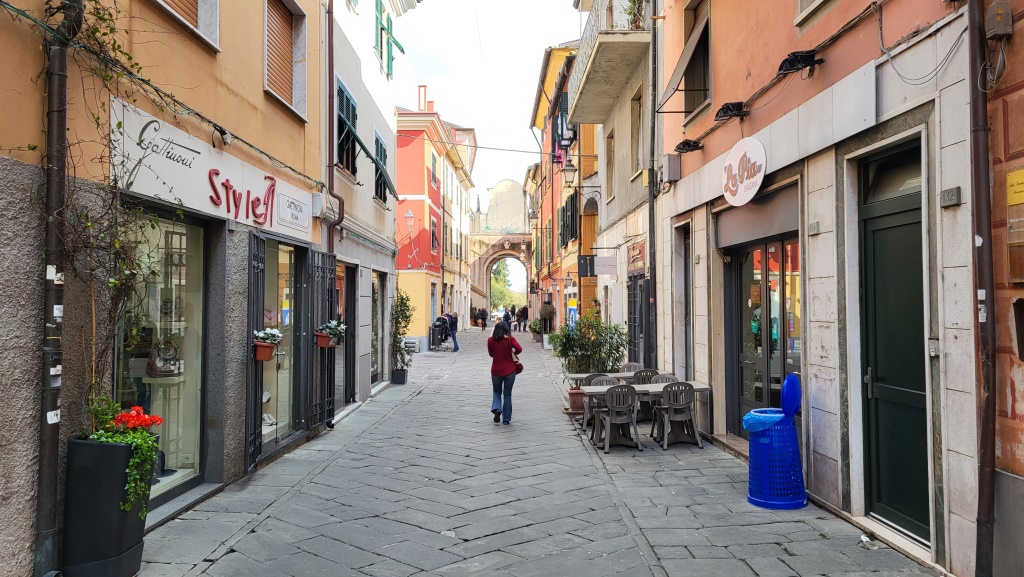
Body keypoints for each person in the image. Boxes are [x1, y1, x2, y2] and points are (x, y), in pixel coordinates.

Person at [487, 321, 522, 425]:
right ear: (506, 330)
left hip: (496, 371)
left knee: (496, 392)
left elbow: (491, 354)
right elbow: (519, 349)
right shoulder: (510, 339)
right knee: (507, 394)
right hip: (510, 370)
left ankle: (497, 408)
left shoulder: (490, 340)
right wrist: (513, 353)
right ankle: (506, 419)